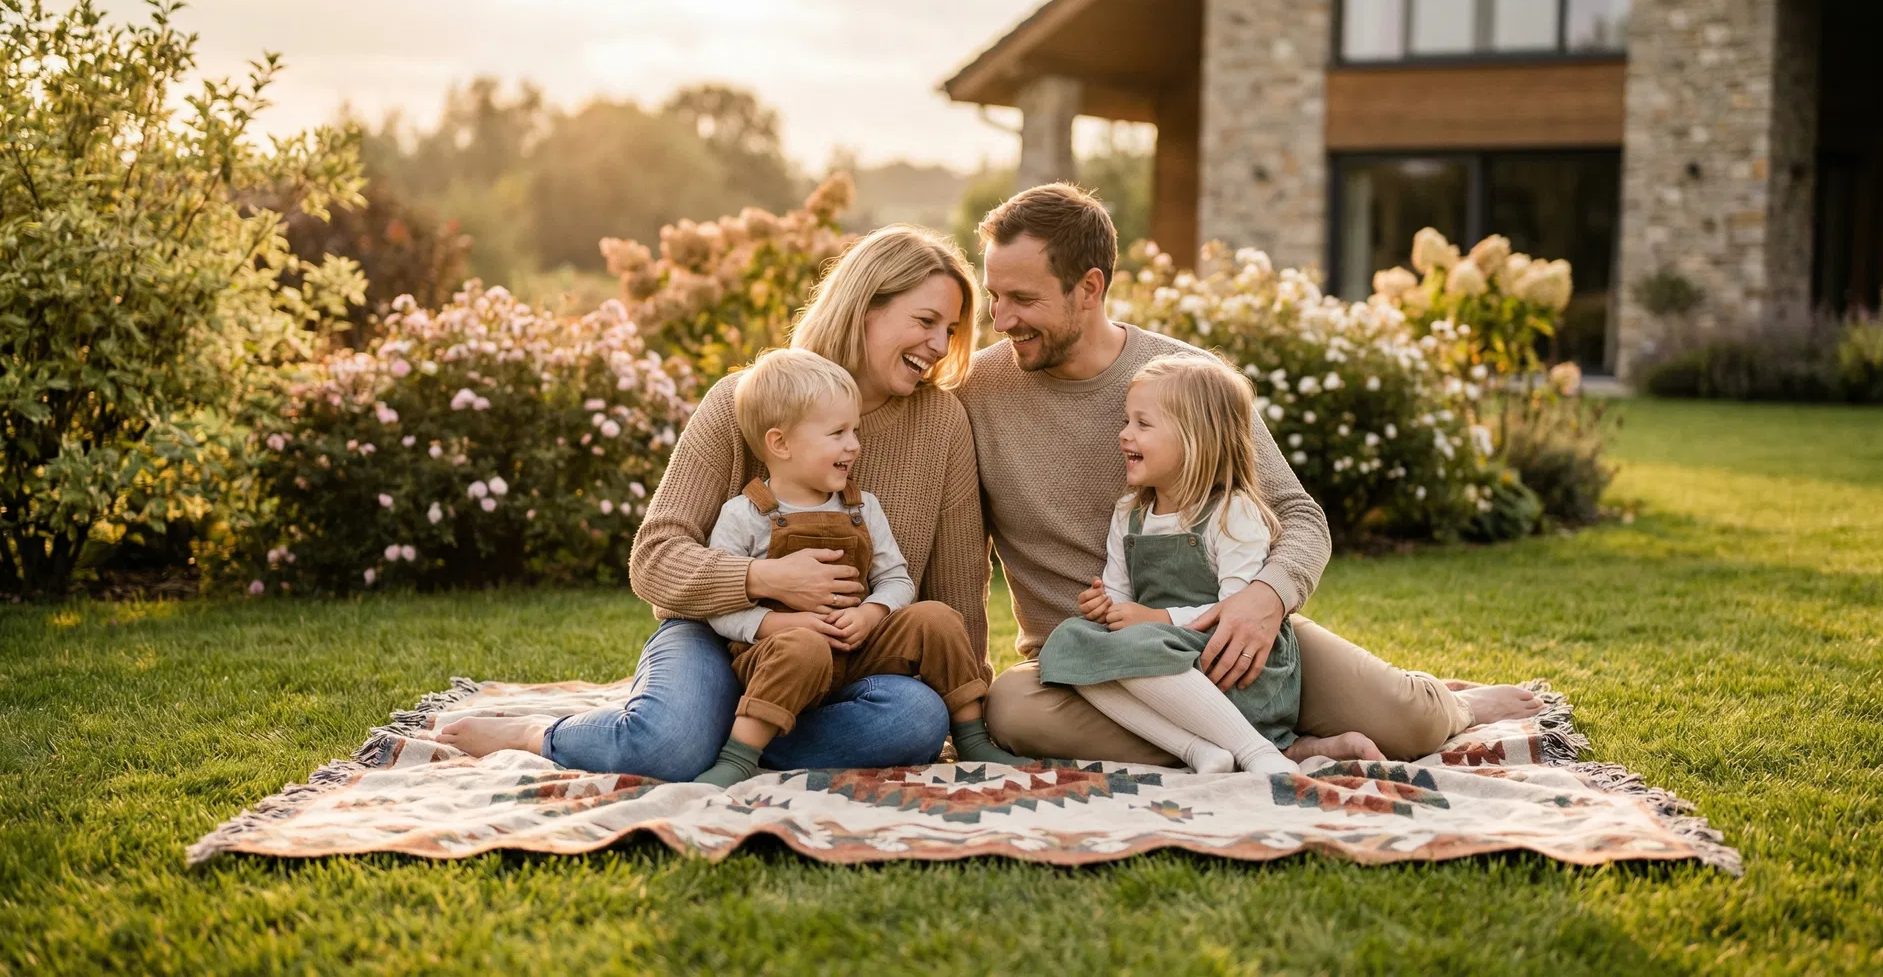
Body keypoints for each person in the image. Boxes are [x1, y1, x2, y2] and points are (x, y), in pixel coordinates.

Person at [962, 183, 1544, 765]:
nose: (1000, 319)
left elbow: (1299, 515)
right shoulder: (976, 392)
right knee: (1013, 708)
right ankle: (1277, 747)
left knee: (1412, 728)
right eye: (993, 296)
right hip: (1097, 672)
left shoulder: (1188, 379)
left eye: (1022, 298)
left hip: (1228, 635)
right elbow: (955, 553)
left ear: (1089, 287)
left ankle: (1450, 704)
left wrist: (1264, 598)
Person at [437, 226, 989, 778]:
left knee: (916, 718)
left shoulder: (941, 424)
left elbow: (956, 591)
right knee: (666, 746)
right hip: (720, 638)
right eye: (925, 322)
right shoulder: (741, 402)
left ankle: (729, 741)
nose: (939, 347)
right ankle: (549, 734)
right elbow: (654, 558)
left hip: (849, 656)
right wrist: (768, 580)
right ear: (863, 307)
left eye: (951, 330)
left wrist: (970, 711)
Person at [1041, 354, 1384, 774]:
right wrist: (1105, 606)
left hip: (1230, 661)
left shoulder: (1231, 513)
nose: (1124, 434)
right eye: (1128, 421)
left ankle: (1259, 753)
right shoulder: (1130, 511)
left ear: (1195, 439)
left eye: (1142, 424)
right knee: (1070, 641)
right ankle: (1199, 750)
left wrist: (1157, 618)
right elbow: (1120, 592)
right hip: (1164, 656)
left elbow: (1237, 611)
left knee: (1137, 645)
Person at [691, 348, 1019, 786]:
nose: (854, 445)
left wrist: (871, 613)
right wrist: (783, 625)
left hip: (858, 649)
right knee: (803, 647)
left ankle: (972, 736)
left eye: (855, 431)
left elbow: (895, 579)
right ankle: (737, 757)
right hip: (780, 657)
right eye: (837, 433)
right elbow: (722, 607)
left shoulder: (862, 507)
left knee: (936, 618)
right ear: (780, 443)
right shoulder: (744, 515)